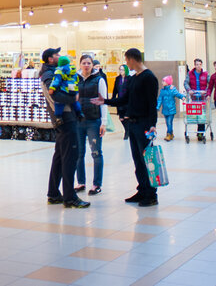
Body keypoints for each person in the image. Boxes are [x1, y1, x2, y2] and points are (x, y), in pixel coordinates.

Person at [93, 48, 158, 207]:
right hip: (133, 124)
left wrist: (152, 125)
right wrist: (106, 101)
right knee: (137, 160)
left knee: (145, 160)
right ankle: (142, 189)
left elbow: (152, 104)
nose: (126, 63)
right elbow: (124, 99)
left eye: (126, 60)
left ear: (132, 59)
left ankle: (151, 194)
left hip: (144, 124)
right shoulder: (133, 78)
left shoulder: (149, 77)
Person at [40, 48, 88, 209]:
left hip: (65, 118)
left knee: (60, 157)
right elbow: (54, 94)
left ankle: (53, 194)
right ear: (49, 59)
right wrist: (72, 97)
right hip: (65, 118)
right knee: (70, 157)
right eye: (56, 55)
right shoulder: (48, 75)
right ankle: (69, 197)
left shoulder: (56, 72)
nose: (60, 56)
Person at [74, 55, 106, 196]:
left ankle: (96, 184)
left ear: (92, 65)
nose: (86, 65)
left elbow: (103, 101)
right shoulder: (75, 79)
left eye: (89, 63)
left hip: (94, 121)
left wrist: (103, 122)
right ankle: (81, 182)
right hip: (79, 121)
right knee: (79, 154)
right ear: (80, 64)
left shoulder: (99, 80)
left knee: (96, 153)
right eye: (84, 63)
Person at [184, 58, 208, 141]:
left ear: (202, 65)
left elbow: (210, 84)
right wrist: (189, 90)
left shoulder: (205, 74)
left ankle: (200, 132)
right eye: (196, 64)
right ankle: (196, 132)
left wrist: (205, 91)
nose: (198, 66)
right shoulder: (190, 74)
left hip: (202, 97)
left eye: (199, 64)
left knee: (202, 115)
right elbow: (186, 82)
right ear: (194, 65)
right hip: (194, 97)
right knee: (195, 113)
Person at [156, 76, 185, 141]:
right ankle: (171, 133)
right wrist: (157, 107)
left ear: (168, 82)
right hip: (165, 110)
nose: (162, 82)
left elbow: (177, 94)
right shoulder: (162, 91)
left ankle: (168, 134)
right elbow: (160, 99)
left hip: (171, 109)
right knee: (167, 122)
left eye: (164, 81)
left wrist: (182, 97)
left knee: (169, 122)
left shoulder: (172, 89)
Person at [113, 64, 131, 140]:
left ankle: (127, 132)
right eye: (120, 69)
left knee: (126, 117)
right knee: (121, 118)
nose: (121, 71)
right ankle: (127, 130)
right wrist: (113, 98)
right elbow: (115, 90)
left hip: (127, 101)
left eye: (122, 70)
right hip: (120, 100)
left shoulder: (130, 78)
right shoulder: (118, 79)